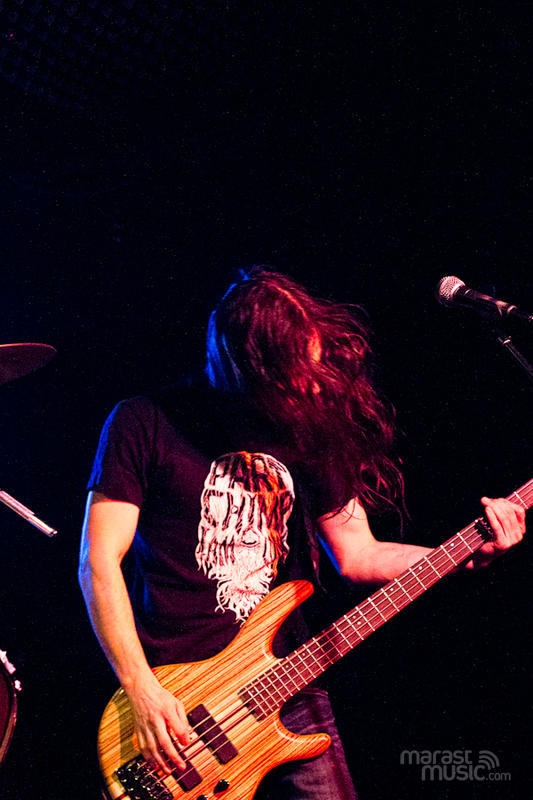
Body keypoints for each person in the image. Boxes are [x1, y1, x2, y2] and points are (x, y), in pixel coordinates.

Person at [79, 267, 526, 799]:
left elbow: (359, 554)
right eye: (296, 371)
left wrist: (464, 552)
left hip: (288, 682)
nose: (313, 383)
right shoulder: (144, 422)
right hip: (180, 698)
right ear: (249, 369)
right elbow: (98, 561)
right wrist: (141, 688)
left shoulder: (310, 429)